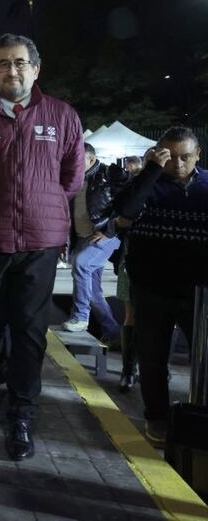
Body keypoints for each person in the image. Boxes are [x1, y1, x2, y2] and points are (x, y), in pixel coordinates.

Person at [0, 33, 83, 461]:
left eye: (20, 63)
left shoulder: (62, 116)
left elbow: (72, 178)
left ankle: (22, 411)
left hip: (40, 244)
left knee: (29, 330)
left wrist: (47, 213)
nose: (12, 71)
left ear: (36, 69)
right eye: (3, 64)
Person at [113, 127, 208, 445]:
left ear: (198, 155)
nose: (177, 164)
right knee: (152, 357)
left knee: (204, 358)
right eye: (169, 156)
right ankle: (156, 417)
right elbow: (124, 212)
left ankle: (200, 417)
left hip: (199, 293)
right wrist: (151, 170)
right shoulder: (147, 183)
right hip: (151, 288)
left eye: (185, 156)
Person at [61, 141, 128, 339]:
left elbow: (128, 204)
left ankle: (80, 317)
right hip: (83, 237)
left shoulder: (110, 174)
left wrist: (110, 231)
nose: (72, 163)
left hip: (104, 235)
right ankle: (113, 333)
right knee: (94, 292)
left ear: (91, 158)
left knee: (80, 264)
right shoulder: (73, 178)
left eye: (76, 159)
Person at [115, 153, 146, 392]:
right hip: (132, 259)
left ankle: (157, 369)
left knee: (169, 322)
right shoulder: (134, 187)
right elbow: (122, 218)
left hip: (169, 266)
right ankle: (128, 370)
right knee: (131, 316)